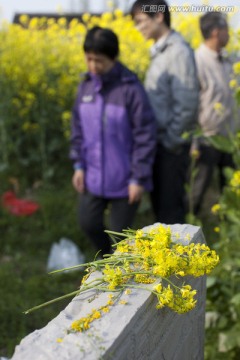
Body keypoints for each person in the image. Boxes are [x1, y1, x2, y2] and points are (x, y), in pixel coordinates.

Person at [69, 26, 157, 255]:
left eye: (99, 61)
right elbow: (77, 128)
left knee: (121, 236)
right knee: (87, 222)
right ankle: (109, 261)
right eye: (89, 59)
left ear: (114, 58)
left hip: (126, 179)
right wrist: (78, 165)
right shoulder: (86, 85)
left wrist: (138, 177)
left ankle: (119, 272)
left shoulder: (130, 88)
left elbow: (145, 134)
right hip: (93, 175)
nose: (93, 66)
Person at [131, 0, 199, 224]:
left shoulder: (177, 51)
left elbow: (187, 104)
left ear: (158, 16)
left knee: (170, 215)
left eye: (141, 21)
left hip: (170, 147)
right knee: (162, 212)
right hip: (160, 144)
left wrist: (170, 142)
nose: (138, 27)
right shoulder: (161, 51)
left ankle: (177, 260)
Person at [190, 12, 236, 214]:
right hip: (207, 140)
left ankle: (228, 225)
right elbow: (191, 105)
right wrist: (194, 142)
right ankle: (188, 225)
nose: (230, 34)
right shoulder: (196, 61)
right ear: (217, 32)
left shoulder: (230, 60)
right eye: (227, 29)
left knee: (233, 189)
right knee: (199, 187)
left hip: (231, 139)